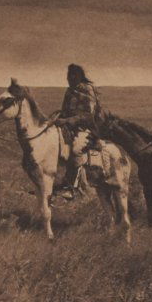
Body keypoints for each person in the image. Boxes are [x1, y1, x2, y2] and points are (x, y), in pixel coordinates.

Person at [52, 63, 109, 200]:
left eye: (71, 76)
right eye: (68, 76)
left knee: (76, 150)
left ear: (77, 76)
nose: (68, 79)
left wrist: (67, 120)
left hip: (87, 128)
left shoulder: (87, 89)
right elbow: (65, 110)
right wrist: (57, 117)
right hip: (70, 127)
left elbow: (88, 115)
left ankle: (72, 188)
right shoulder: (69, 91)